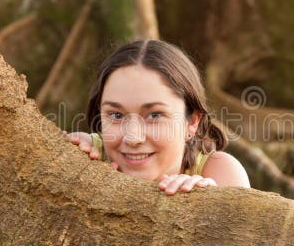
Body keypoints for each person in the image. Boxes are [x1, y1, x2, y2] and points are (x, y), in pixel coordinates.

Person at [66, 39, 250, 195]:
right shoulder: (89, 157)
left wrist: (210, 205)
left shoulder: (220, 172)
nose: (133, 138)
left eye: (154, 115)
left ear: (192, 122)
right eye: (116, 115)